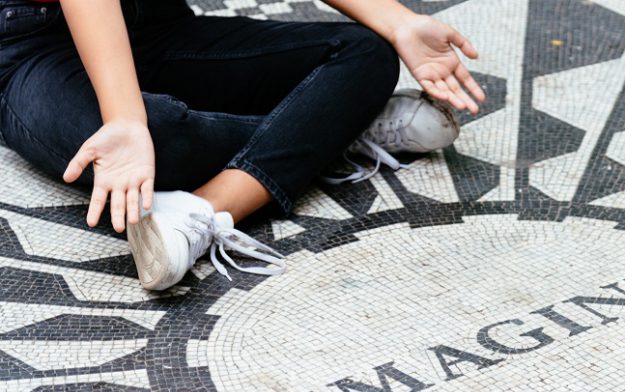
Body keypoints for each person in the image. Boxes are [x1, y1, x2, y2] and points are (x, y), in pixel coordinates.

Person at [0, 0, 485, 289]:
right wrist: (126, 120)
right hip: (33, 47)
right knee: (156, 143)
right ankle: (340, 123)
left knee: (366, 52)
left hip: (155, 24)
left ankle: (204, 210)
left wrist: (397, 20)